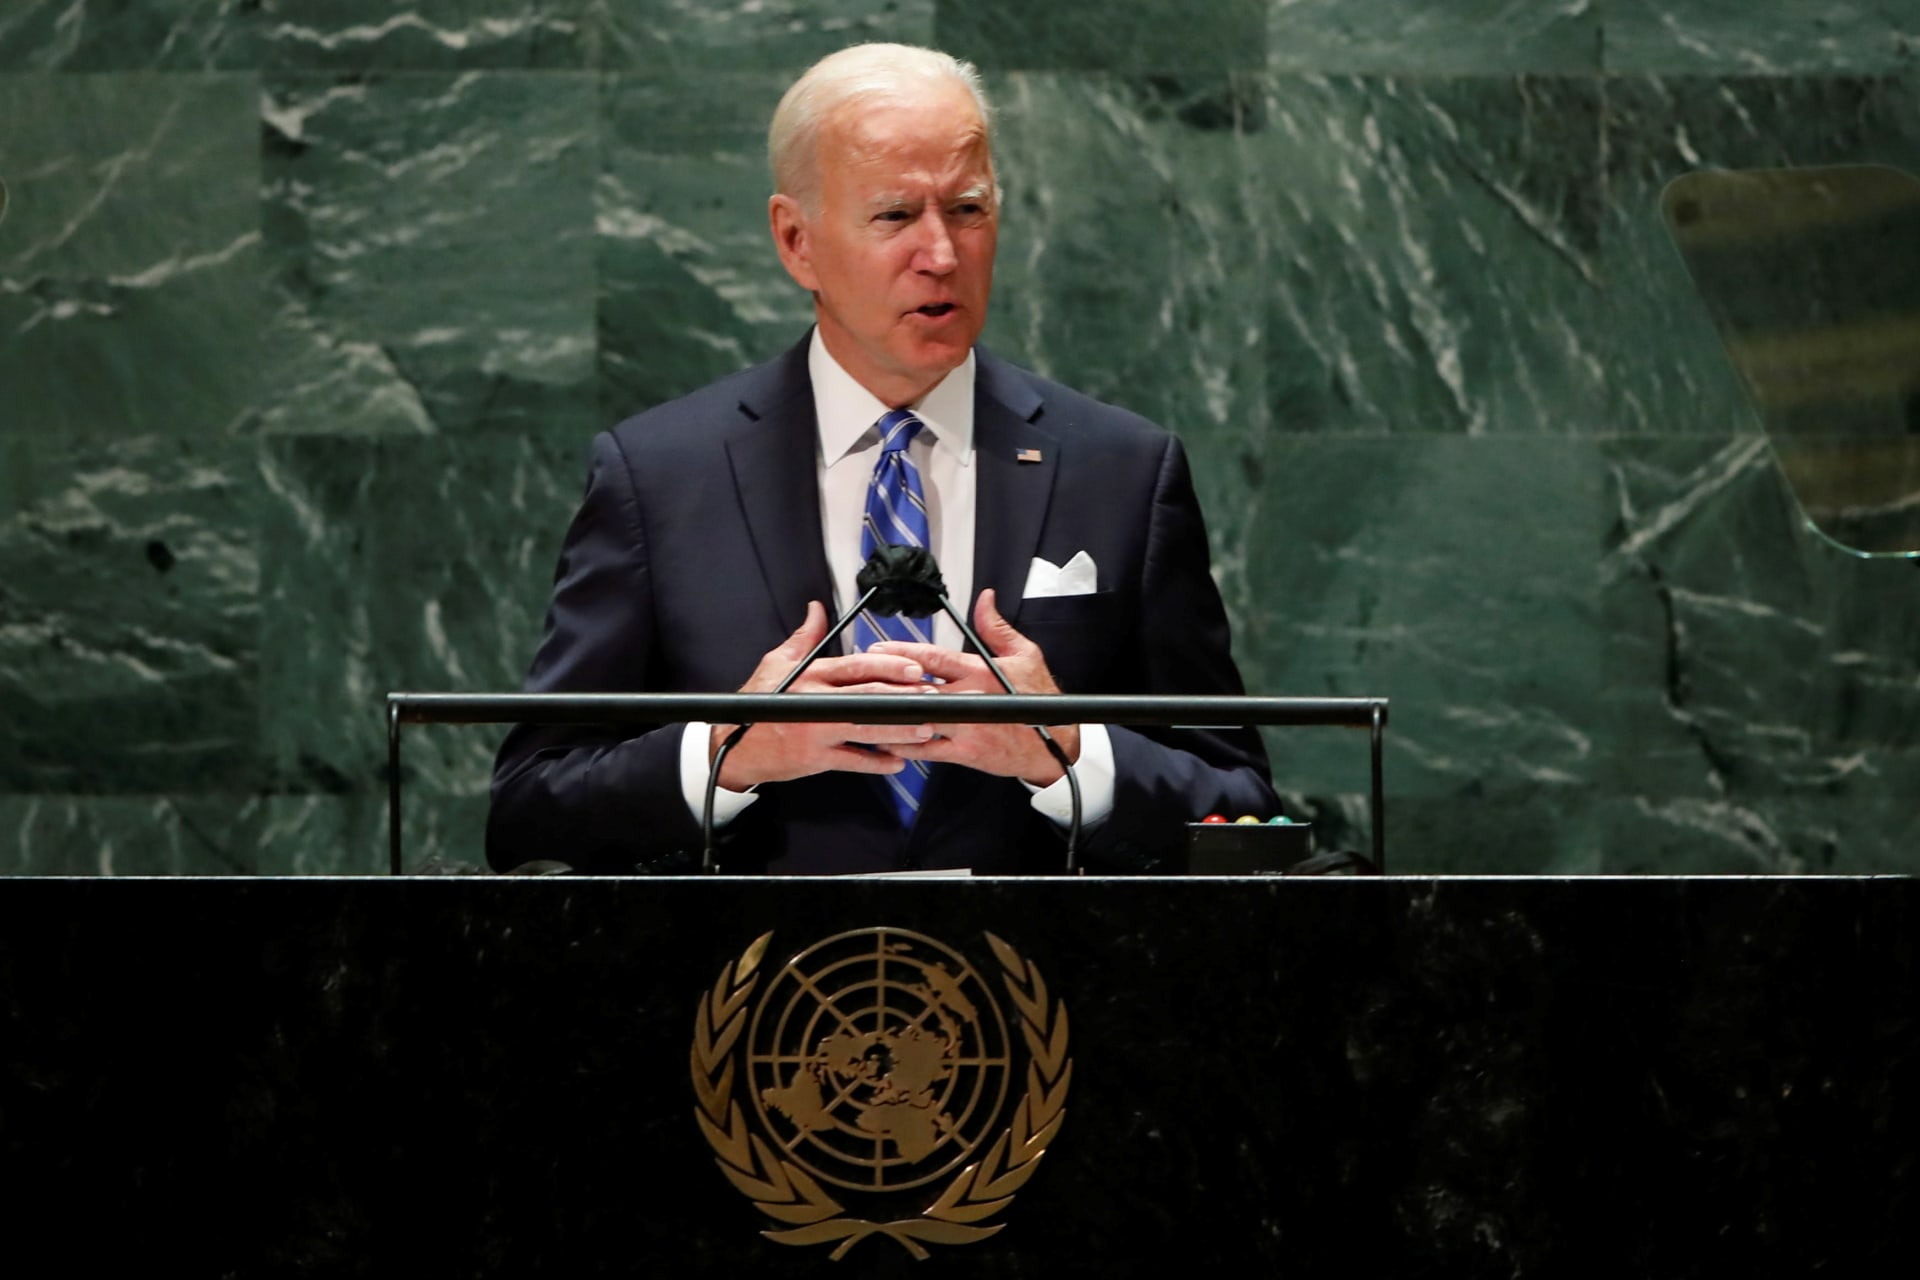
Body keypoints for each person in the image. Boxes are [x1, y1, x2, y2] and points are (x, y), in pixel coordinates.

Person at [487, 43, 1276, 875]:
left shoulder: (1120, 471)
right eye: (896, 216)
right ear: (797, 242)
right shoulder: (660, 476)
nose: (941, 254)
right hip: (758, 992)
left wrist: (1069, 750)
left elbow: (1244, 808)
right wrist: (727, 750)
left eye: (968, 210)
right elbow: (531, 811)